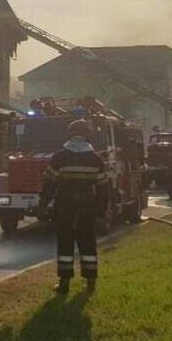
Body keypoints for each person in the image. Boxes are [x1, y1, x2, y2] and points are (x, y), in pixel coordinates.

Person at [40, 118, 108, 292]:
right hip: (87, 206)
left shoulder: (60, 157)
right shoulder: (95, 159)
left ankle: (64, 283)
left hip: (65, 206)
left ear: (70, 134)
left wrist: (43, 204)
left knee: (65, 242)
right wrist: (101, 209)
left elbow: (49, 184)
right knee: (87, 242)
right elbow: (103, 187)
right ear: (87, 135)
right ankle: (90, 282)